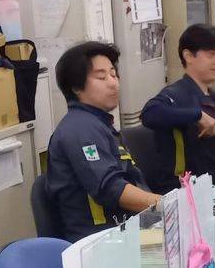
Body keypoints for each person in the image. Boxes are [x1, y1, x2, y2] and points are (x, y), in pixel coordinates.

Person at [47, 42, 160, 242]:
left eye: (113, 75)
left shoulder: (99, 124)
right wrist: (165, 204)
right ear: (76, 87)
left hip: (127, 231)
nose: (113, 83)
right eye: (101, 77)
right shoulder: (80, 129)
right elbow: (110, 188)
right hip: (100, 242)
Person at [141, 24, 215, 192]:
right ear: (188, 56)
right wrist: (198, 116)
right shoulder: (175, 95)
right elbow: (149, 114)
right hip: (189, 191)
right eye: (211, 54)